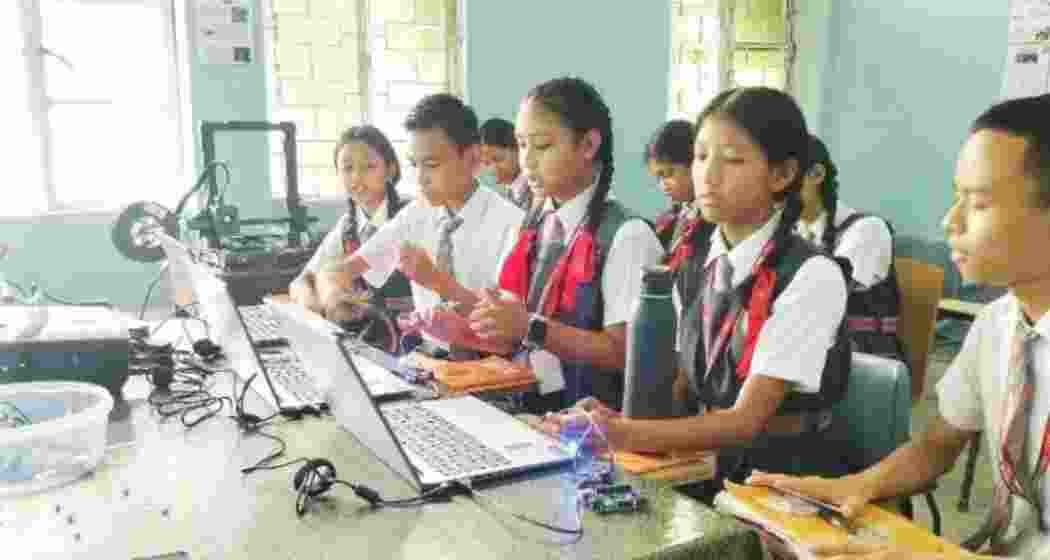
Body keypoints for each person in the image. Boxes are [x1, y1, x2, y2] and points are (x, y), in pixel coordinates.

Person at [750, 94, 1050, 559]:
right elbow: (936, 446)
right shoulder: (999, 325)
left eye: (979, 203)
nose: (949, 222)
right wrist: (854, 487)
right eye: (957, 198)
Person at [541, 87, 852, 486]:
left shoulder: (811, 275)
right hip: (704, 462)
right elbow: (682, 384)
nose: (709, 174)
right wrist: (613, 418)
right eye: (702, 156)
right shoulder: (694, 257)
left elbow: (745, 423)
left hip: (782, 481)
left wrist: (619, 433)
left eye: (733, 160)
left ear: (782, 175)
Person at [468, 76, 664, 413]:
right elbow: (512, 330)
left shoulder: (627, 235)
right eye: (522, 144)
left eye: (542, 146)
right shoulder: (532, 224)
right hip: (534, 412)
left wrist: (531, 327)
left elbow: (624, 353)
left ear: (588, 145)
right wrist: (465, 328)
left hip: (594, 429)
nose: (527, 161)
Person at [294, 94, 524, 330]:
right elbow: (344, 268)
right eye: (416, 165)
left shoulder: (512, 225)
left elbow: (506, 327)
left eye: (432, 165)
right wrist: (334, 291)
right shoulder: (416, 213)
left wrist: (437, 281)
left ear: (473, 158)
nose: (421, 179)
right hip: (422, 356)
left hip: (485, 362)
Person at [797, 134, 904, 361]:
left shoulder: (867, 230)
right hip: (811, 361)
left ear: (816, 174)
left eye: (783, 174)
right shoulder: (792, 234)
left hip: (863, 367)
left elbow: (818, 300)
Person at [289, 125, 412, 320]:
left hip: (414, 337)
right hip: (367, 336)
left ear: (390, 169)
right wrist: (313, 306)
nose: (356, 177)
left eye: (368, 167)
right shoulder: (347, 226)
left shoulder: (410, 218)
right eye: (347, 168)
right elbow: (301, 282)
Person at [479, 117, 533, 210]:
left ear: (518, 149)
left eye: (498, 159)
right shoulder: (507, 194)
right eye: (486, 163)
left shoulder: (536, 190)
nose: (492, 169)